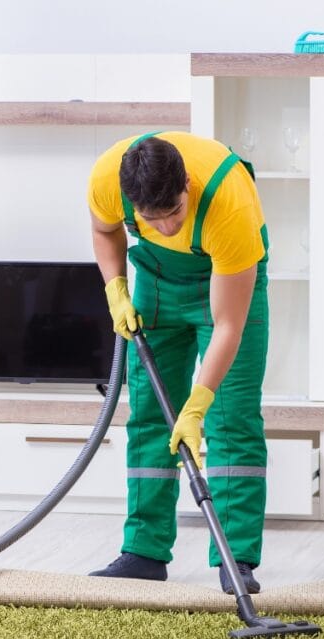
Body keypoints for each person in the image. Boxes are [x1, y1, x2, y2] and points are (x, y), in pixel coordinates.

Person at [86, 131, 269, 594]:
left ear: (187, 183)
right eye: (152, 218)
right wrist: (116, 290)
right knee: (148, 414)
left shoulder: (230, 203)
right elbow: (104, 230)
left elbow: (227, 326)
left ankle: (236, 559)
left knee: (232, 417)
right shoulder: (106, 179)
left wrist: (196, 406)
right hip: (155, 280)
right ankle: (143, 551)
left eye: (174, 213)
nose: (166, 228)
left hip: (227, 276)